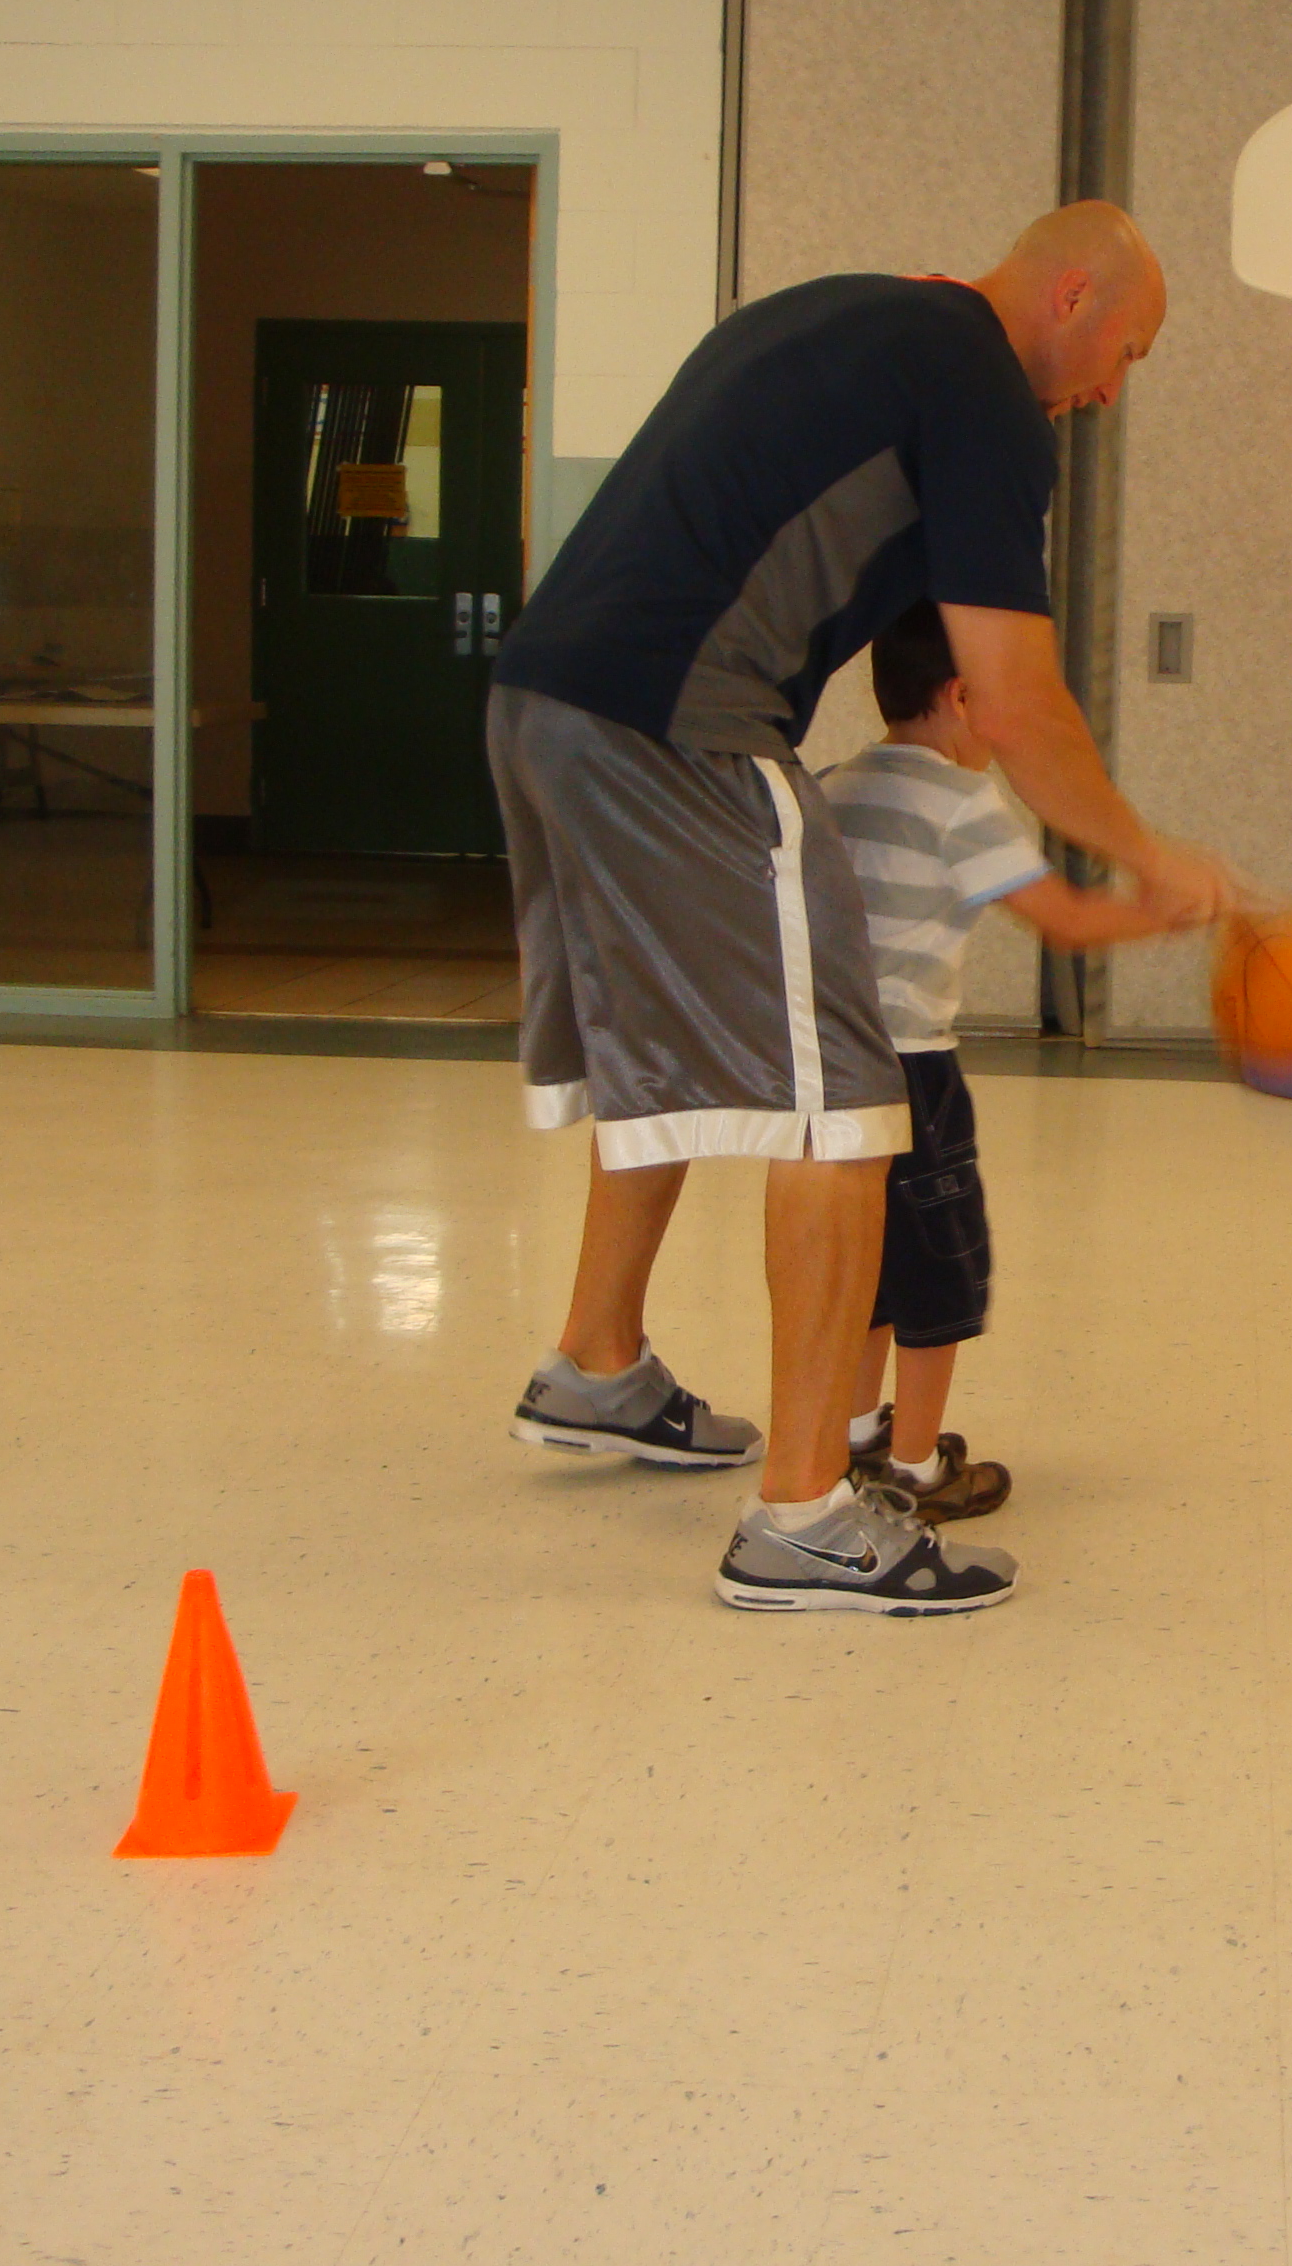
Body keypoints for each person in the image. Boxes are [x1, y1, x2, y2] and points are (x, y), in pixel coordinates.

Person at [487, 204, 1230, 1616]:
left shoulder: (850, 313)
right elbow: (1013, 693)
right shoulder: (987, 394)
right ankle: (805, 1516)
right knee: (848, 1102)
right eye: (1125, 353)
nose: (1107, 393)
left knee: (671, 1054)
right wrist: (1143, 853)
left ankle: (597, 1364)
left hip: (544, 704)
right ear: (1073, 295)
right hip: (681, 727)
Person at [819, 602, 1176, 1525]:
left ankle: (854, 1436)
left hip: (829, 1069)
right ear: (962, 696)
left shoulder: (834, 783)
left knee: (863, 1263)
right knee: (935, 1271)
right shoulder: (961, 801)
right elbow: (1064, 918)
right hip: (914, 1074)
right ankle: (915, 1469)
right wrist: (1166, 906)